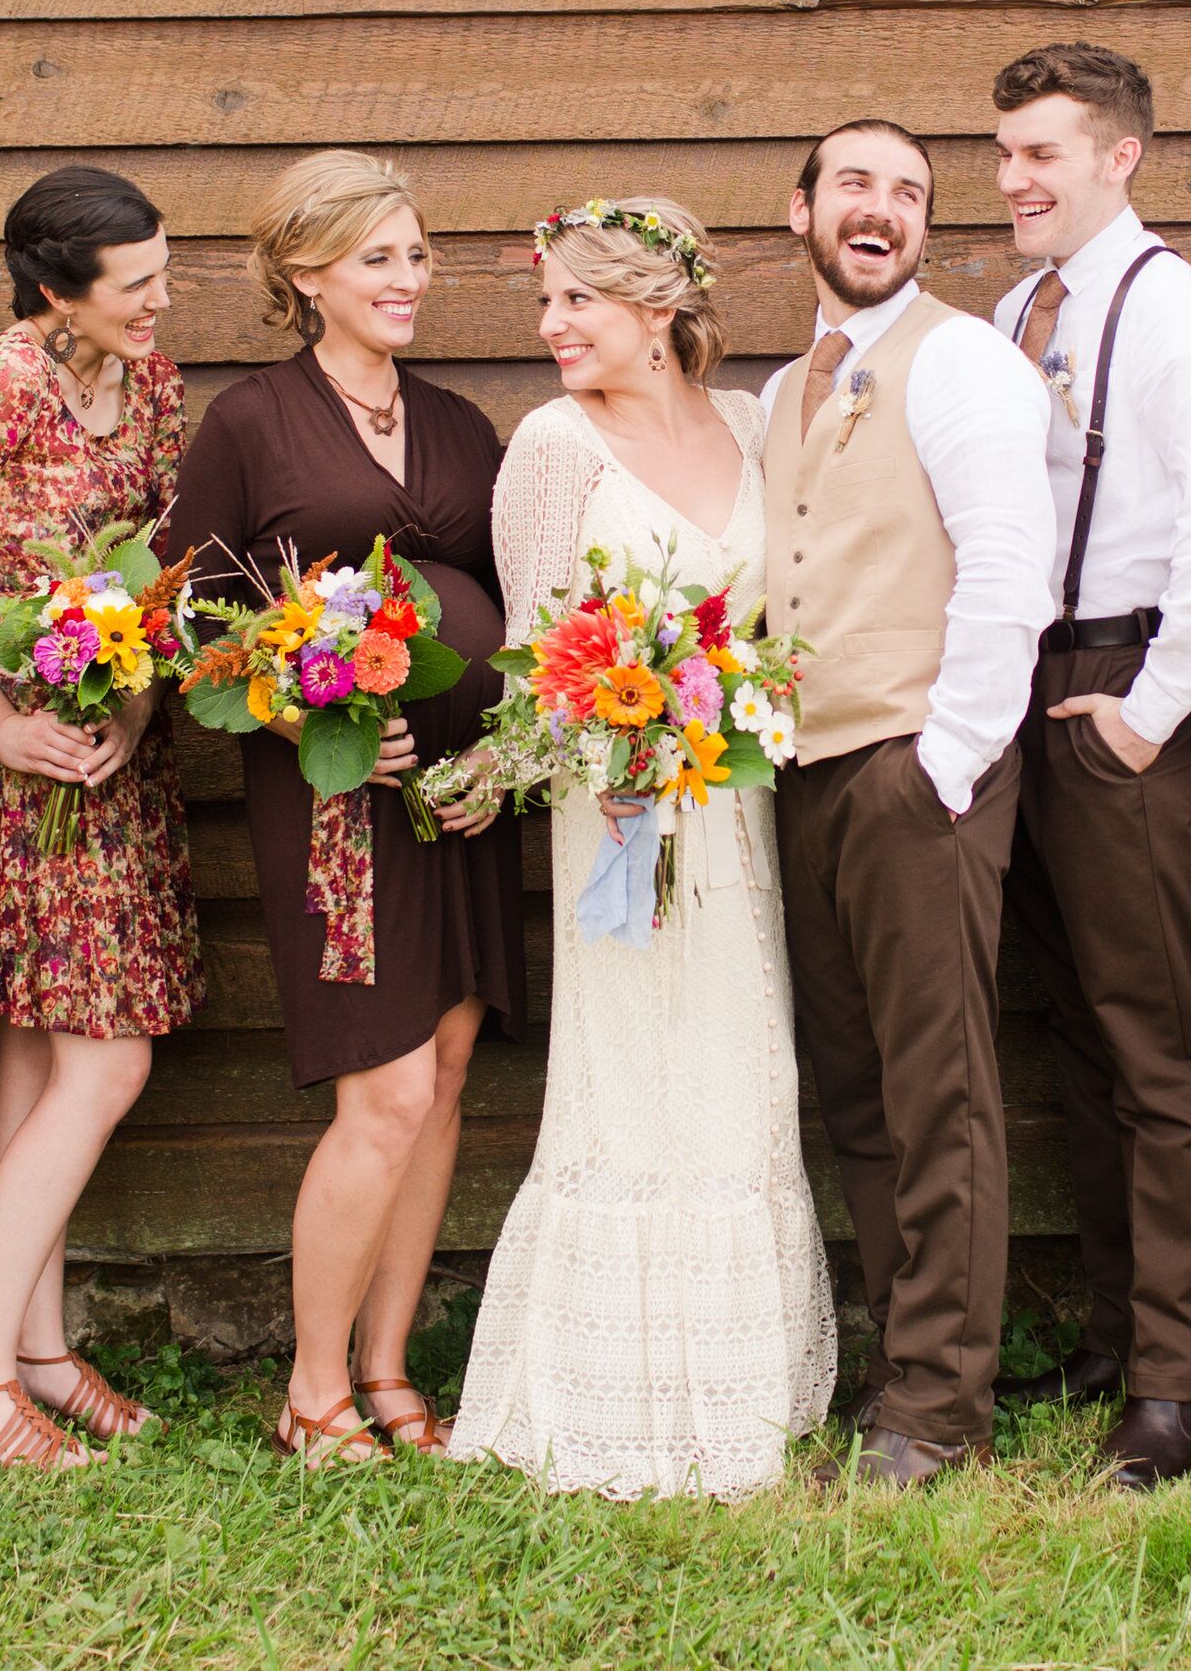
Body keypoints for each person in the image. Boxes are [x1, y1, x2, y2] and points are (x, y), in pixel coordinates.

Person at [448, 197, 838, 1499]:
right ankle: (602, 1392)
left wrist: (728, 699)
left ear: (658, 312)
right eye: (547, 303)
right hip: (614, 802)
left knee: (742, 1058)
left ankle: (742, 1379)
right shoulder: (552, 447)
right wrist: (554, 755)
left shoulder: (741, 426)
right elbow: (539, 658)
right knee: (630, 1070)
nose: (553, 326)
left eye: (578, 302)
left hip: (732, 801)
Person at [157, 150, 515, 1469]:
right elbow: (190, 608)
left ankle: (386, 1363)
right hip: (340, 803)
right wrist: (311, 716)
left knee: (450, 1071)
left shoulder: (464, 425)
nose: (409, 278)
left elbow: (511, 604)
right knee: (386, 1089)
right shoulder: (252, 421)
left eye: (418, 253)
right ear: (309, 273)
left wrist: (505, 754)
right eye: (380, 257)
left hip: (466, 799)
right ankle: (312, 1391)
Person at [979, 45, 1191, 1489]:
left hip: (1118, 685)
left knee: (1160, 1046)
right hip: (1026, 682)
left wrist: (1152, 712)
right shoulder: (1017, 305)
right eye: (1007, 152)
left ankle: (1180, 1381)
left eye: (1045, 152)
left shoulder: (1167, 312)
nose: (1017, 179)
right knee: (1082, 1034)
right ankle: (1113, 1332)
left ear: (1122, 156)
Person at [0, 167, 192, 1472]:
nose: (163, 302)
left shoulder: (153, 381)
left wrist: (137, 695)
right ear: (58, 290)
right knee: (105, 1061)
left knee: (44, 1065)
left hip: (112, 753)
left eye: (167, 272)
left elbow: (168, 551)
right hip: (20, 774)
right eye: (138, 285)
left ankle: (44, 1354)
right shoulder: (6, 381)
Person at [760, 119, 1055, 1488]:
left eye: (910, 194)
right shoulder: (782, 391)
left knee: (939, 1092)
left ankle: (942, 1404)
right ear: (804, 210)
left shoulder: (965, 362)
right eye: (857, 187)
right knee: (858, 1092)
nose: (882, 210)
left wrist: (944, 762)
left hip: (913, 769)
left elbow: (1009, 569)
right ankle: (899, 1366)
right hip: (803, 774)